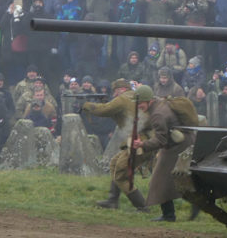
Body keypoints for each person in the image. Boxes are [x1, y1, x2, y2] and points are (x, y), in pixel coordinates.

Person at [131, 86, 197, 222]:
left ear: (149, 101)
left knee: (159, 180)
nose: (138, 106)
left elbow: (161, 140)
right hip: (182, 143)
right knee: (172, 180)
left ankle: (169, 215)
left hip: (176, 147)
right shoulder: (159, 104)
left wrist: (142, 144)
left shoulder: (157, 114)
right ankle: (192, 204)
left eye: (140, 103)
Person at [82, 78, 138, 209]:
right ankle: (113, 200)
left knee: (120, 172)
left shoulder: (123, 98)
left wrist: (88, 106)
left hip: (138, 141)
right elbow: (116, 113)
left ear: (122, 90)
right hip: (137, 139)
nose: (114, 95)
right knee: (115, 163)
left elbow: (104, 111)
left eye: (115, 91)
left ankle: (142, 206)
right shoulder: (133, 97)